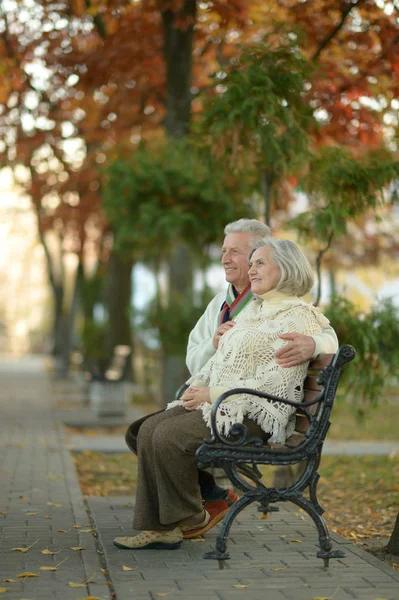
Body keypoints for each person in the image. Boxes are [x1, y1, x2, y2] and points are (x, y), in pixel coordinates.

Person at [114, 238, 335, 550]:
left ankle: (179, 521)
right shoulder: (254, 311)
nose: (251, 269)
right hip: (227, 402)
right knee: (145, 430)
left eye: (260, 263)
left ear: (285, 269)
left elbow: (273, 384)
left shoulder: (297, 316)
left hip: (256, 414)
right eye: (252, 262)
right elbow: (225, 361)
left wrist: (211, 393)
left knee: (167, 437)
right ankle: (185, 516)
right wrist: (200, 383)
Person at [185, 219, 338, 531]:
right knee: (145, 432)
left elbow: (329, 339)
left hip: (246, 407)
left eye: (237, 253)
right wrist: (214, 344)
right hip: (216, 395)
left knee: (166, 437)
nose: (226, 259)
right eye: (224, 251)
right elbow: (193, 356)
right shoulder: (221, 303)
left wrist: (313, 344)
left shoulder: (284, 305)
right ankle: (205, 498)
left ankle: (193, 510)